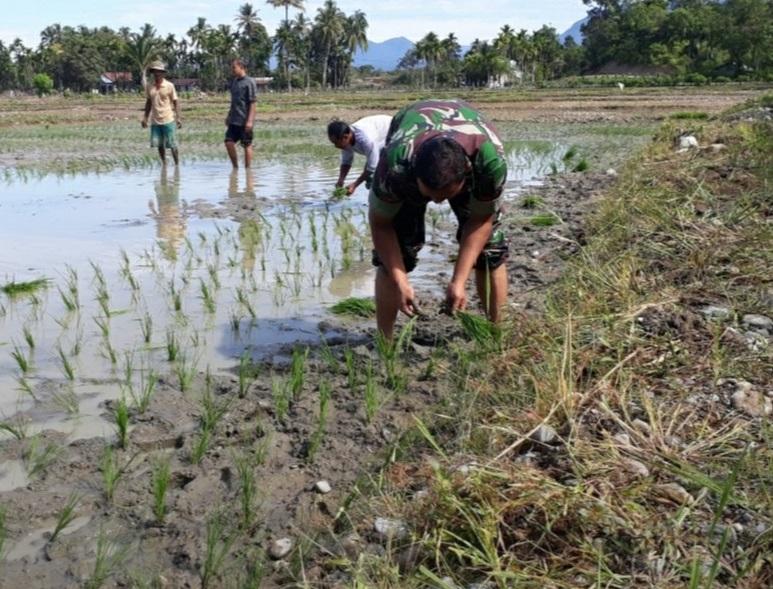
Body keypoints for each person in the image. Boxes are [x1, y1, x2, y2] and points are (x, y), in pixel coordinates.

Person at [369, 99, 509, 339]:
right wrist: (401, 280)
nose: (438, 202)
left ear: (465, 177)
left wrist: (459, 281)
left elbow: (481, 220)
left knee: (490, 251)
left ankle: (496, 335)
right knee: (392, 260)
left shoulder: (489, 162)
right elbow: (381, 225)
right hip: (411, 129)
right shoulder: (396, 165)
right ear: (415, 177)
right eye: (430, 195)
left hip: (471, 134)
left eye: (446, 196)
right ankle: (385, 341)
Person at [327, 115, 392, 196]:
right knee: (370, 179)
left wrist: (355, 184)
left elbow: (372, 167)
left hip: (392, 131)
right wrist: (341, 180)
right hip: (378, 134)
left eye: (336, 142)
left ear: (346, 137)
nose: (335, 146)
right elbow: (346, 162)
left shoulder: (366, 141)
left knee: (374, 177)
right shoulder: (346, 138)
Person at [141, 61, 181, 165]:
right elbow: (149, 102)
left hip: (168, 119)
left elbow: (176, 102)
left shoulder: (169, 86)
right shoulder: (150, 86)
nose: (157, 74)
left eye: (159, 72)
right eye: (155, 72)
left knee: (172, 144)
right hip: (155, 120)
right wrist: (145, 118)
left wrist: (178, 117)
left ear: (163, 73)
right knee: (159, 145)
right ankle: (164, 164)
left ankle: (177, 165)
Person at [225, 59, 258, 169]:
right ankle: (235, 167)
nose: (232, 70)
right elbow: (234, 101)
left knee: (246, 144)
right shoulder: (234, 82)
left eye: (234, 68)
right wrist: (229, 116)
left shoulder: (250, 82)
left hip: (245, 120)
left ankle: (248, 170)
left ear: (241, 67)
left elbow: (253, 103)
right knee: (228, 143)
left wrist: (250, 121)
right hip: (234, 120)